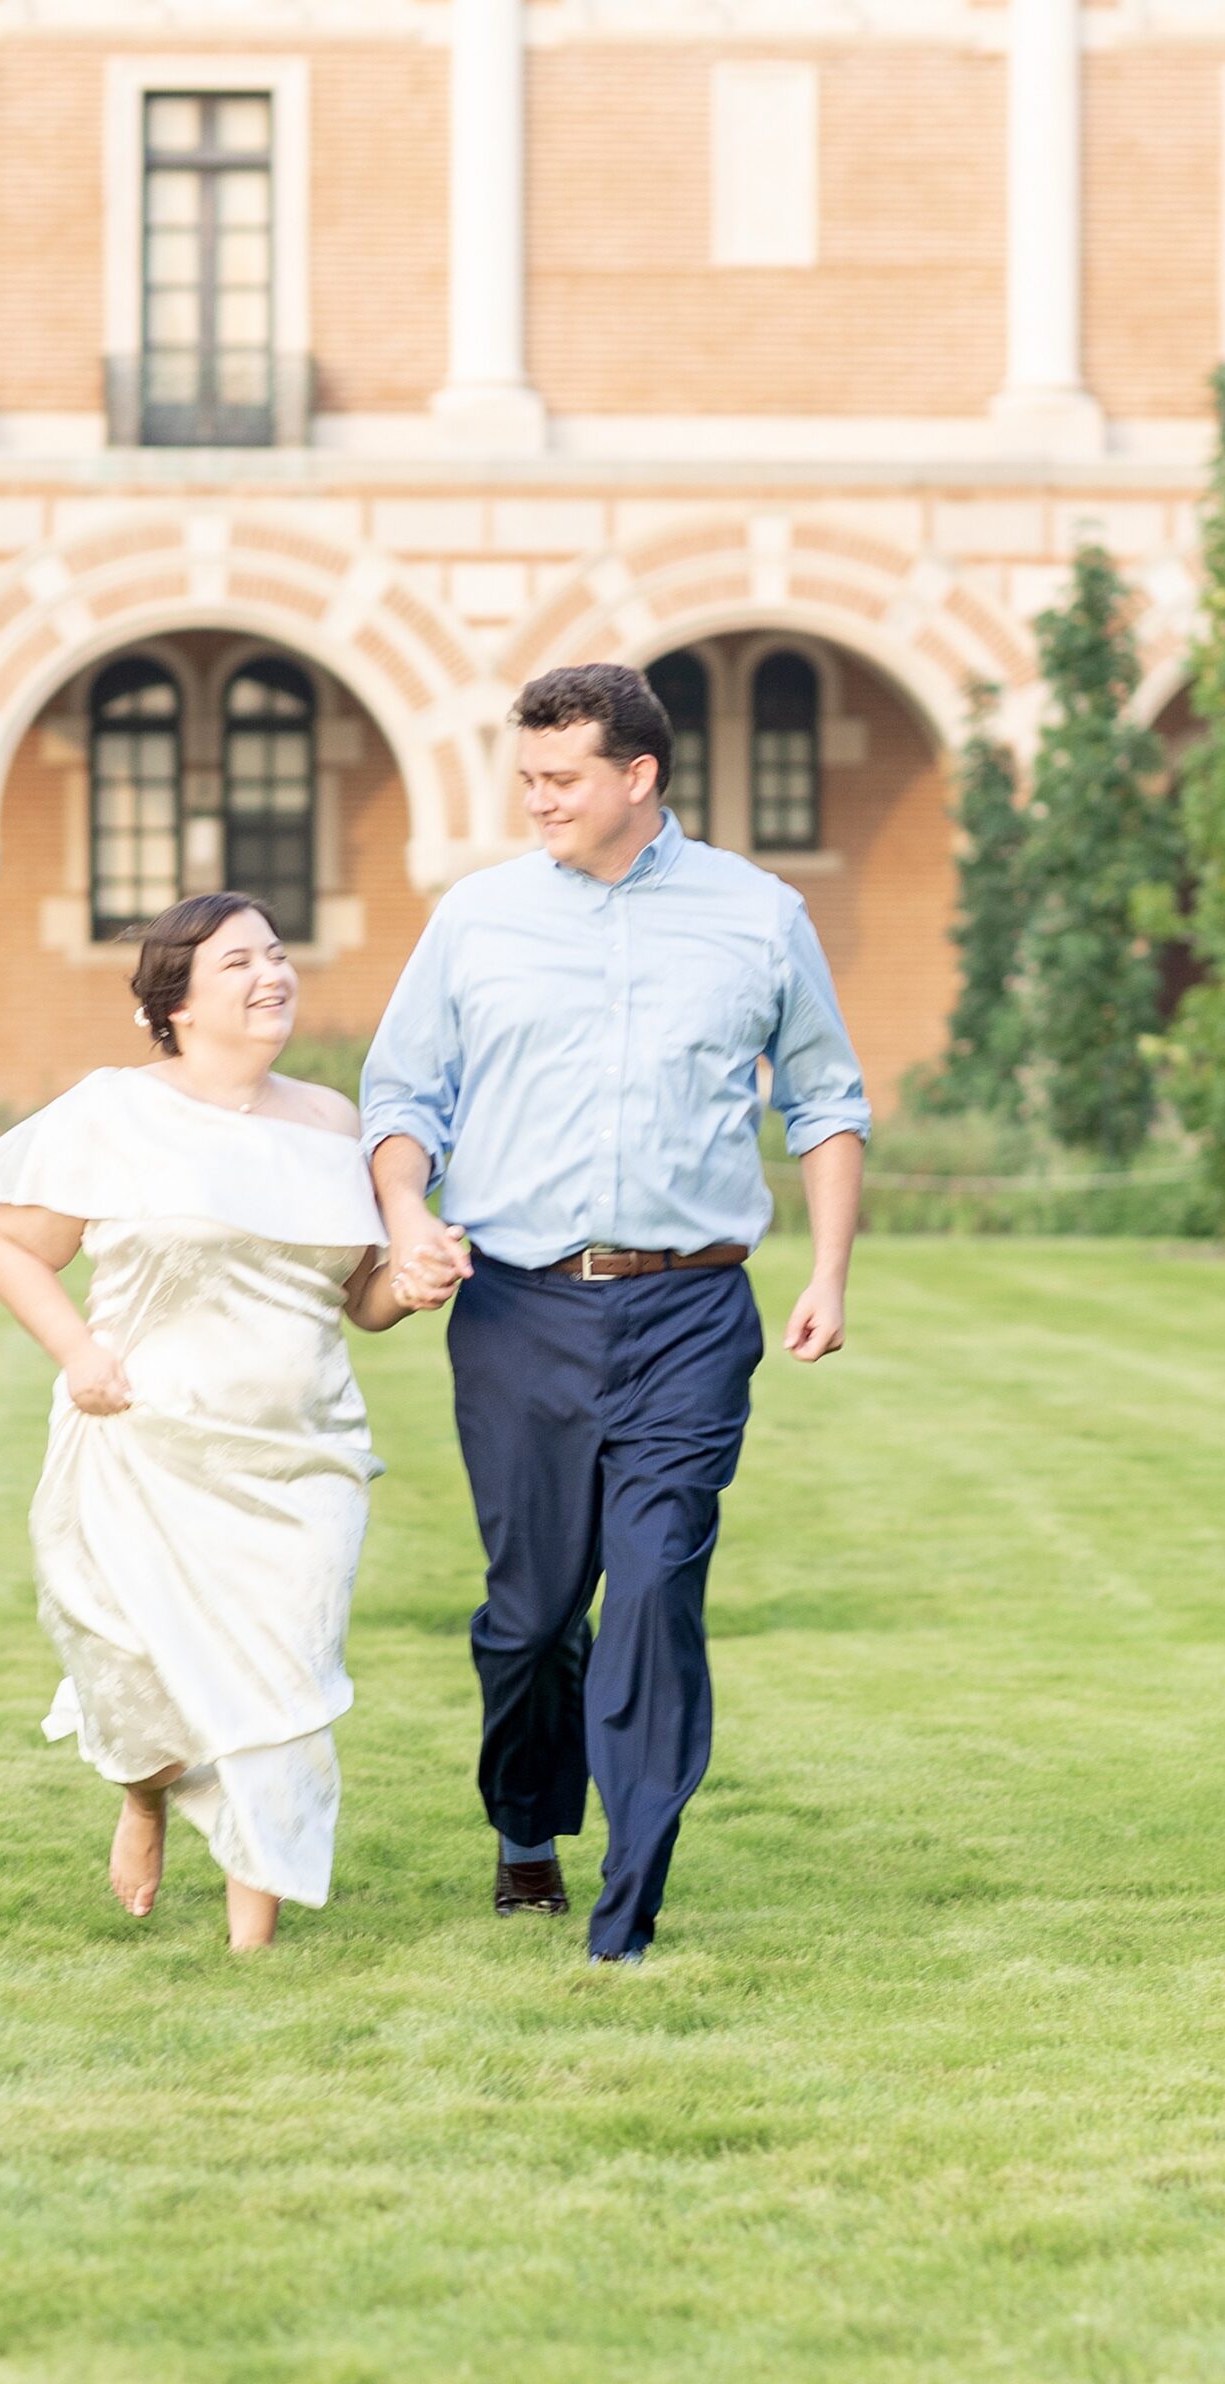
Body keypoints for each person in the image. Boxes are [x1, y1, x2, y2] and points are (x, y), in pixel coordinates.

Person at [361, 661, 868, 1965]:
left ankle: (626, 1911)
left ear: (634, 778)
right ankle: (527, 1826)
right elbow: (402, 1100)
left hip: (690, 1308)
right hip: (517, 1310)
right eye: (523, 777)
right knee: (529, 1618)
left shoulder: (756, 916)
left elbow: (821, 1101)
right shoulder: (474, 920)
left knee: (651, 1591)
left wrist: (824, 1270)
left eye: (557, 778)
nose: (532, 800)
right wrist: (407, 1215)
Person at [0, 892, 452, 1953]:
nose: (271, 973)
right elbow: (11, 1245)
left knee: (282, 1688)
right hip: (147, 1446)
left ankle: (250, 1951)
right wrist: (80, 1353)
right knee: (132, 1669)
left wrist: (413, 1282)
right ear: (176, 1000)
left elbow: (359, 1302)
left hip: (301, 1456)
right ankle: (145, 1793)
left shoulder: (333, 1123)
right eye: (239, 962)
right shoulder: (113, 1111)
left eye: (277, 953)